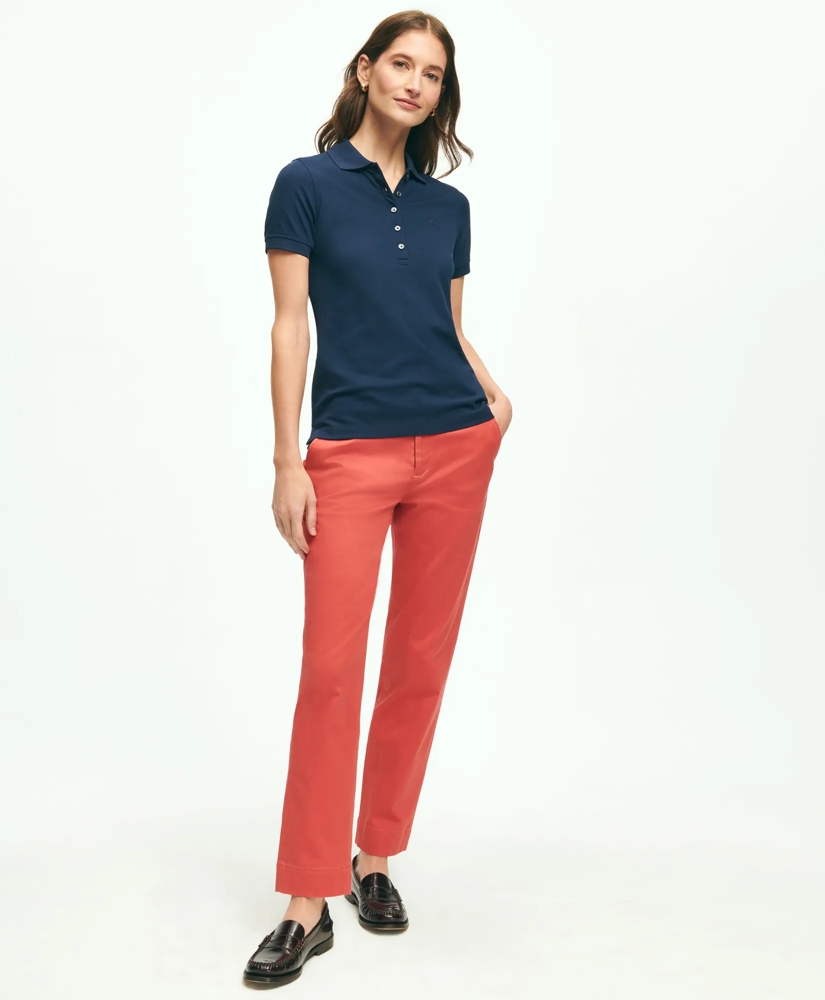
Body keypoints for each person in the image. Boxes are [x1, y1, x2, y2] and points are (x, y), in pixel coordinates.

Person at [243, 9, 512, 989]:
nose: (414, 83)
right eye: (401, 63)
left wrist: (493, 397)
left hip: (455, 445)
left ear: (441, 95)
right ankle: (306, 900)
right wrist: (288, 461)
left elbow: (444, 324)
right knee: (331, 670)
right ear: (364, 70)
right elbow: (290, 327)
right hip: (349, 453)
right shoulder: (306, 185)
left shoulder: (449, 207)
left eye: (432, 74)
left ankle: (375, 859)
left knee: (418, 665)